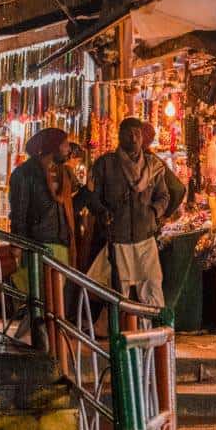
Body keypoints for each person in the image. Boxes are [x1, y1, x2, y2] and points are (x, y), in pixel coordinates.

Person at [84, 117, 170, 308]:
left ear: (142, 137)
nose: (133, 138)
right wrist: (102, 211)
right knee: (119, 290)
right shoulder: (105, 165)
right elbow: (92, 197)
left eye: (137, 134)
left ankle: (154, 331)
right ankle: (121, 331)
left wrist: (154, 213)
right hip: (118, 237)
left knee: (152, 285)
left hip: (145, 236)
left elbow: (164, 196)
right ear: (120, 136)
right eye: (128, 134)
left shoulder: (153, 166)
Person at [9, 127, 80, 269]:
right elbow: (19, 212)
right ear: (53, 146)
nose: (68, 149)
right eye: (65, 144)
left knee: (59, 290)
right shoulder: (25, 173)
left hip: (63, 244)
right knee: (38, 288)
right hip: (38, 245)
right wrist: (17, 243)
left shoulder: (65, 173)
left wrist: (89, 191)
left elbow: (72, 206)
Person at [142, 122, 187, 223]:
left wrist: (161, 213)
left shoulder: (152, 161)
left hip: (146, 224)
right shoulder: (152, 160)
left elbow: (178, 189)